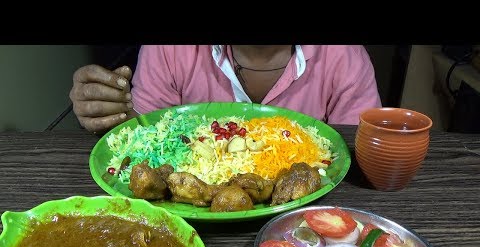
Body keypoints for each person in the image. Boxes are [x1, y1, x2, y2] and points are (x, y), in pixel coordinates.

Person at [70, 45, 381, 134]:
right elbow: (145, 134)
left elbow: (354, 150)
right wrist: (110, 110)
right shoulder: (167, 49)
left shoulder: (346, 57)